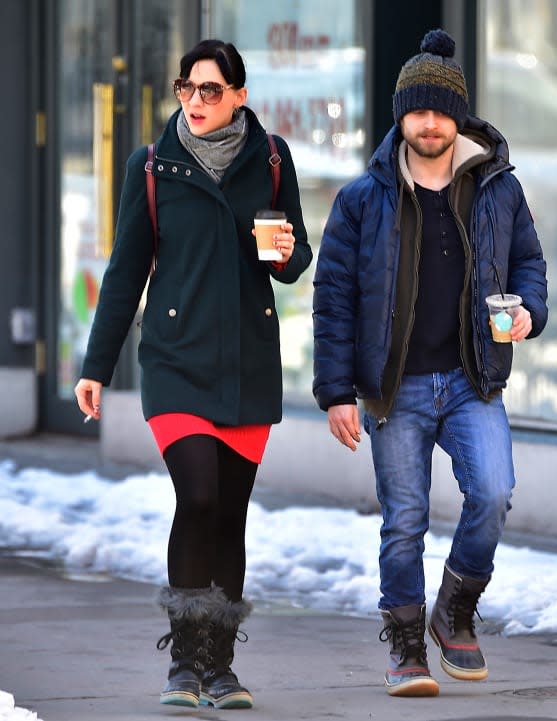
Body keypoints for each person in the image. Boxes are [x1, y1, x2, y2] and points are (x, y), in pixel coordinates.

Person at [75, 39, 312, 710]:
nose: (197, 102)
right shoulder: (151, 166)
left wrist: (287, 249)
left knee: (231, 516)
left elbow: (294, 259)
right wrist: (96, 365)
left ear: (241, 95)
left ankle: (221, 666)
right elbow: (125, 272)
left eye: (212, 90)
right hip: (174, 361)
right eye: (188, 89)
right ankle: (184, 661)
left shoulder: (270, 159)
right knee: (199, 496)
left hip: (248, 366)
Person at [312, 29, 547, 698]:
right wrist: (336, 390)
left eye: (441, 110)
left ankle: (455, 607)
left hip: (474, 378)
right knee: (404, 519)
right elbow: (332, 298)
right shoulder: (363, 197)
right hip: (396, 388)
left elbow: (529, 262)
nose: (429, 122)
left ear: (458, 115)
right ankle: (408, 645)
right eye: (417, 110)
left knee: (494, 492)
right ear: (401, 115)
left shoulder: (498, 188)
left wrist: (529, 309)